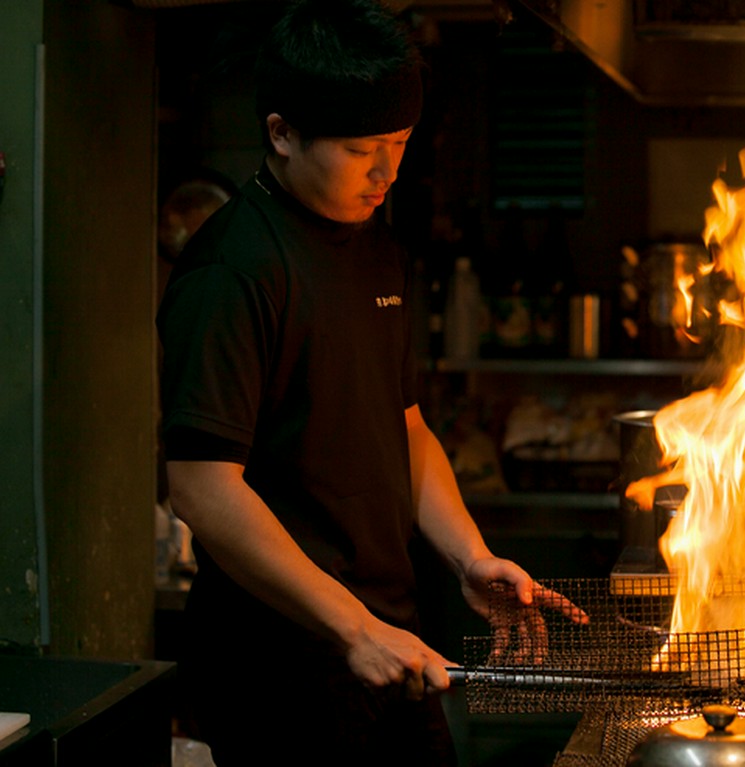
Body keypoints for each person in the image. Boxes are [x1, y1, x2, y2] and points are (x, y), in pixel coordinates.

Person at [156, 1, 585, 764]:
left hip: (387, 637)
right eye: (362, 150)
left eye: (400, 145)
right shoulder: (233, 269)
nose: (387, 172)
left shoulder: (373, 244)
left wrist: (468, 556)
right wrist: (352, 625)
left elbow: (406, 424)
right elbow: (201, 486)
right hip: (282, 664)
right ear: (282, 134)